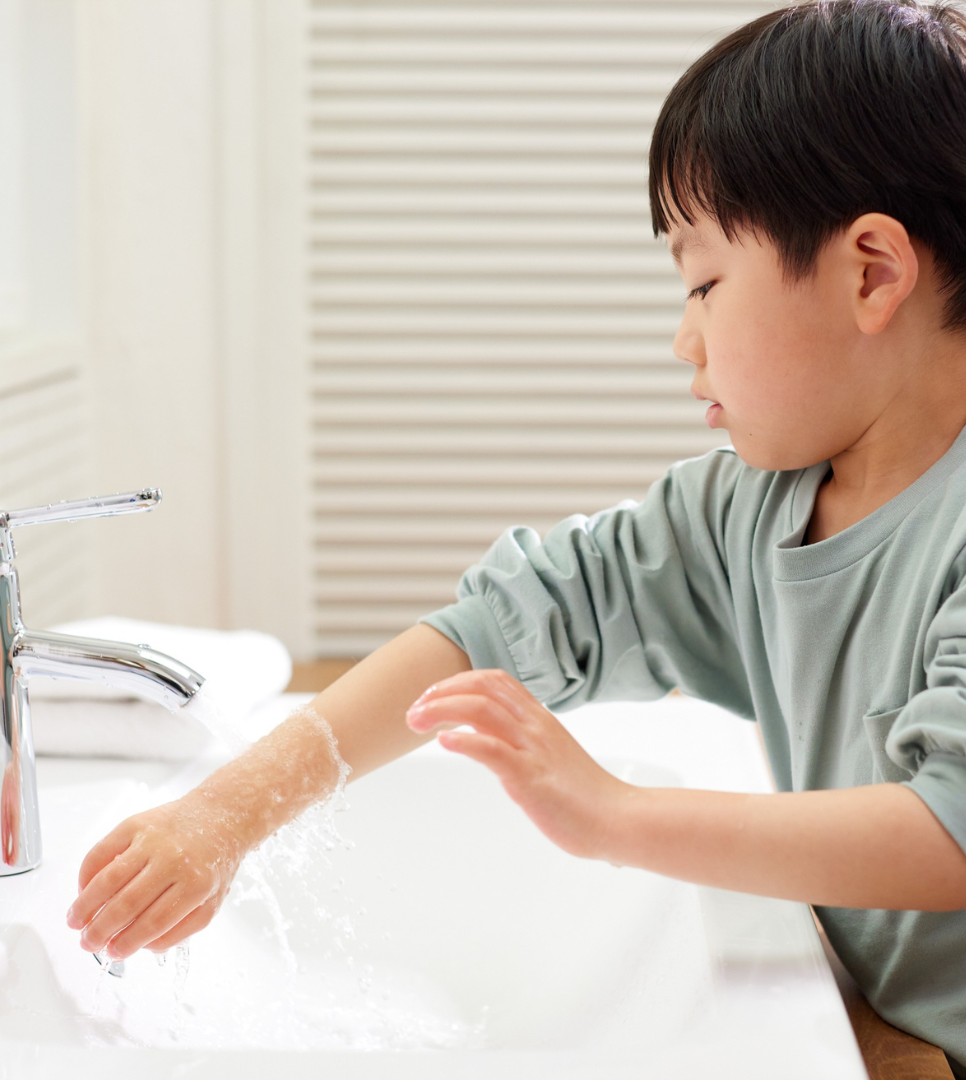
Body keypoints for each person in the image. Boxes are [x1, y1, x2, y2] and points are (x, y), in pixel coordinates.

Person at [66, 0, 966, 1067]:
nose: (685, 338)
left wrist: (614, 815)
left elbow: (946, 833)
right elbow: (502, 621)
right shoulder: (752, 510)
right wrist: (225, 815)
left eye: (706, 282)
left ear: (870, 272)